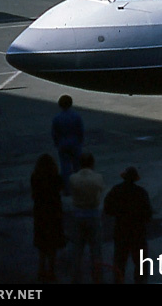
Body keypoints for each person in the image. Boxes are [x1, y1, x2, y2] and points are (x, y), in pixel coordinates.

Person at [104, 167, 154, 284]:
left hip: (121, 230)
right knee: (141, 261)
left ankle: (119, 280)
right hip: (138, 231)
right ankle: (140, 281)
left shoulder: (116, 190)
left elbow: (108, 209)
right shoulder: (141, 192)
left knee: (120, 260)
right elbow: (148, 214)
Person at [69, 152, 105, 283]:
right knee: (96, 249)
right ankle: (97, 276)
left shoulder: (73, 178)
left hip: (78, 214)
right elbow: (100, 190)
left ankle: (76, 276)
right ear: (92, 163)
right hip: (93, 214)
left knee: (77, 249)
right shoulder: (98, 178)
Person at [30, 154, 65, 282]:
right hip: (53, 212)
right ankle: (51, 270)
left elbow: (34, 194)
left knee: (42, 243)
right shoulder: (56, 177)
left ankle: (41, 269)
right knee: (53, 243)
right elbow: (60, 189)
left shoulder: (35, 177)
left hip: (40, 212)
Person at [51, 95, 83, 191]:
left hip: (63, 143)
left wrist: (57, 143)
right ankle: (78, 187)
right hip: (75, 143)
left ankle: (67, 188)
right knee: (77, 166)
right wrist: (80, 141)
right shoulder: (76, 116)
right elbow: (80, 131)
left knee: (65, 167)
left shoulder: (57, 118)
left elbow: (54, 133)